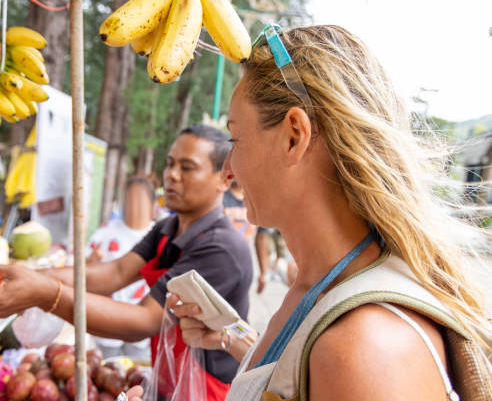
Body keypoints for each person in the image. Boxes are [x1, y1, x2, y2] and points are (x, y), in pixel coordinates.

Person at [165, 24, 492, 401]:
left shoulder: (364, 348)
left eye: (236, 139)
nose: (228, 172)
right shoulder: (322, 291)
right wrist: (232, 336)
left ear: (294, 136)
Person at [0, 124, 253, 401]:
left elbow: (142, 321)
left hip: (207, 389)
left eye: (187, 168)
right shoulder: (168, 228)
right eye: (170, 164)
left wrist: (46, 293)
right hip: (167, 376)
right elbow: (113, 272)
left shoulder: (221, 248)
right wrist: (27, 274)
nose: (171, 175)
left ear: (225, 179)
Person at [86, 176, 156, 360]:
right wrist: (92, 261)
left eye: (140, 200)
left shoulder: (159, 235)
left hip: (142, 327)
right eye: (131, 199)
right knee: (106, 371)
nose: (135, 206)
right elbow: (85, 271)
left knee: (138, 375)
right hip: (107, 322)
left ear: (152, 205)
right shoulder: (106, 232)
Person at [223, 181, 271, 293]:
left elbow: (262, 238)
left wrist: (264, 273)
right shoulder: (219, 195)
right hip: (218, 263)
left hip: (242, 267)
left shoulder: (258, 201)